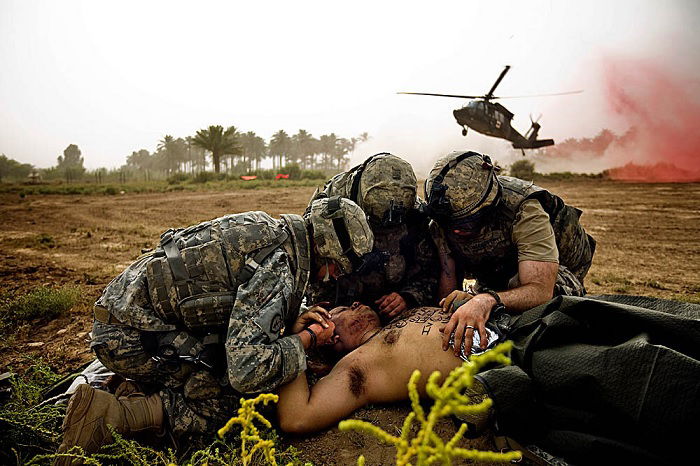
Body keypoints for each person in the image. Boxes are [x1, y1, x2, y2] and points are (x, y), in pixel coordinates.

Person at [55, 197, 372, 461]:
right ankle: (108, 417)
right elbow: (245, 370)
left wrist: (292, 323)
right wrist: (307, 339)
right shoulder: (279, 268)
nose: (334, 275)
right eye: (340, 266)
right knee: (231, 404)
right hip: (129, 339)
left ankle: (139, 391)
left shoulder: (270, 231)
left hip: (124, 314)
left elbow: (236, 305)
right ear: (330, 250)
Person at [277, 297, 700, 464]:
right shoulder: (356, 368)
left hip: (526, 328)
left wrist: (477, 298)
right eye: (333, 311)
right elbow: (297, 418)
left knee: (639, 324)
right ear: (325, 337)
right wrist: (297, 340)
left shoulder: (401, 310)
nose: (351, 304)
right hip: (507, 366)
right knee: (640, 374)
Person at [425, 150, 596, 355]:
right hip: (499, 270)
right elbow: (447, 280)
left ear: (489, 206)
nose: (456, 231)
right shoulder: (442, 219)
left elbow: (540, 291)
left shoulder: (524, 209)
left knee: (517, 305)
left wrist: (485, 300)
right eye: (449, 225)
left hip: (554, 272)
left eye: (465, 223)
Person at [306, 153, 438, 318]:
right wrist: (328, 312)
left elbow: (430, 272)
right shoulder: (329, 210)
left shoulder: (414, 214)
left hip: (394, 308)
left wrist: (409, 297)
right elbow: (316, 269)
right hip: (341, 309)